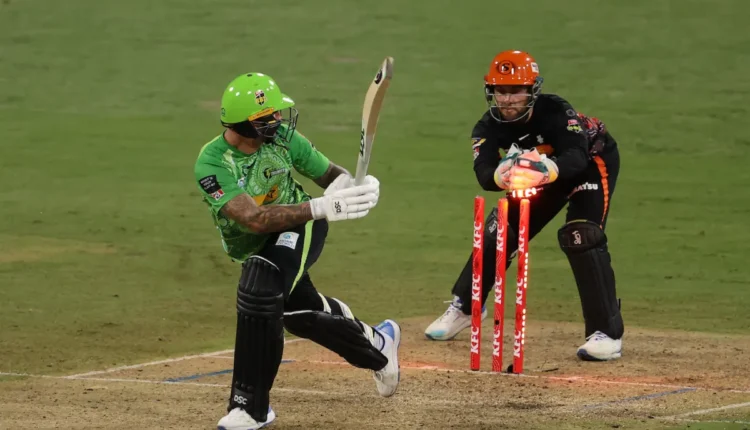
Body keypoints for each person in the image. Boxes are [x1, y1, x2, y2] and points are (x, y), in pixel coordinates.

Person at [194, 72, 401, 430]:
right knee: (298, 313)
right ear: (243, 125)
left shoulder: (284, 138)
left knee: (260, 287)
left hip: (300, 227)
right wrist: (322, 206)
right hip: (265, 235)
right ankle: (379, 345)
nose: (278, 120)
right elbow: (254, 219)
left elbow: (330, 175)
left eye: (278, 113)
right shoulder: (213, 164)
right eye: (267, 117)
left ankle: (251, 408)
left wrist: (354, 187)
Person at [424, 50, 624, 362]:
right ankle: (465, 307)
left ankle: (606, 334)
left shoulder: (556, 111)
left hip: (590, 166)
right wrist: (502, 175)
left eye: (516, 90)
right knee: (501, 229)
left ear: (532, 91)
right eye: (501, 91)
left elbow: (576, 156)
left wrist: (545, 170)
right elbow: (484, 174)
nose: (507, 99)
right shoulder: (486, 128)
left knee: (582, 236)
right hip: (539, 175)